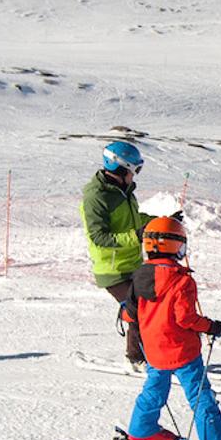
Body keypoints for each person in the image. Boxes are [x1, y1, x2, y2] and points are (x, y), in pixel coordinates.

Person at [121, 216, 221, 440]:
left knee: (154, 390)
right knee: (202, 397)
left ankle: (142, 431)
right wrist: (211, 326)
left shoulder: (140, 276)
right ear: (176, 246)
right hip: (182, 351)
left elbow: (129, 314)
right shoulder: (181, 280)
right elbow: (185, 318)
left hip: (154, 350)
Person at [80, 141, 154, 370]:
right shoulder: (97, 197)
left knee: (150, 307)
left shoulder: (125, 192)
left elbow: (133, 220)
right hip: (112, 269)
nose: (135, 175)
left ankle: (148, 354)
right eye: (135, 170)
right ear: (121, 169)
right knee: (138, 311)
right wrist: (136, 236)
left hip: (133, 264)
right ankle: (137, 358)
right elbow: (99, 237)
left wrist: (159, 222)